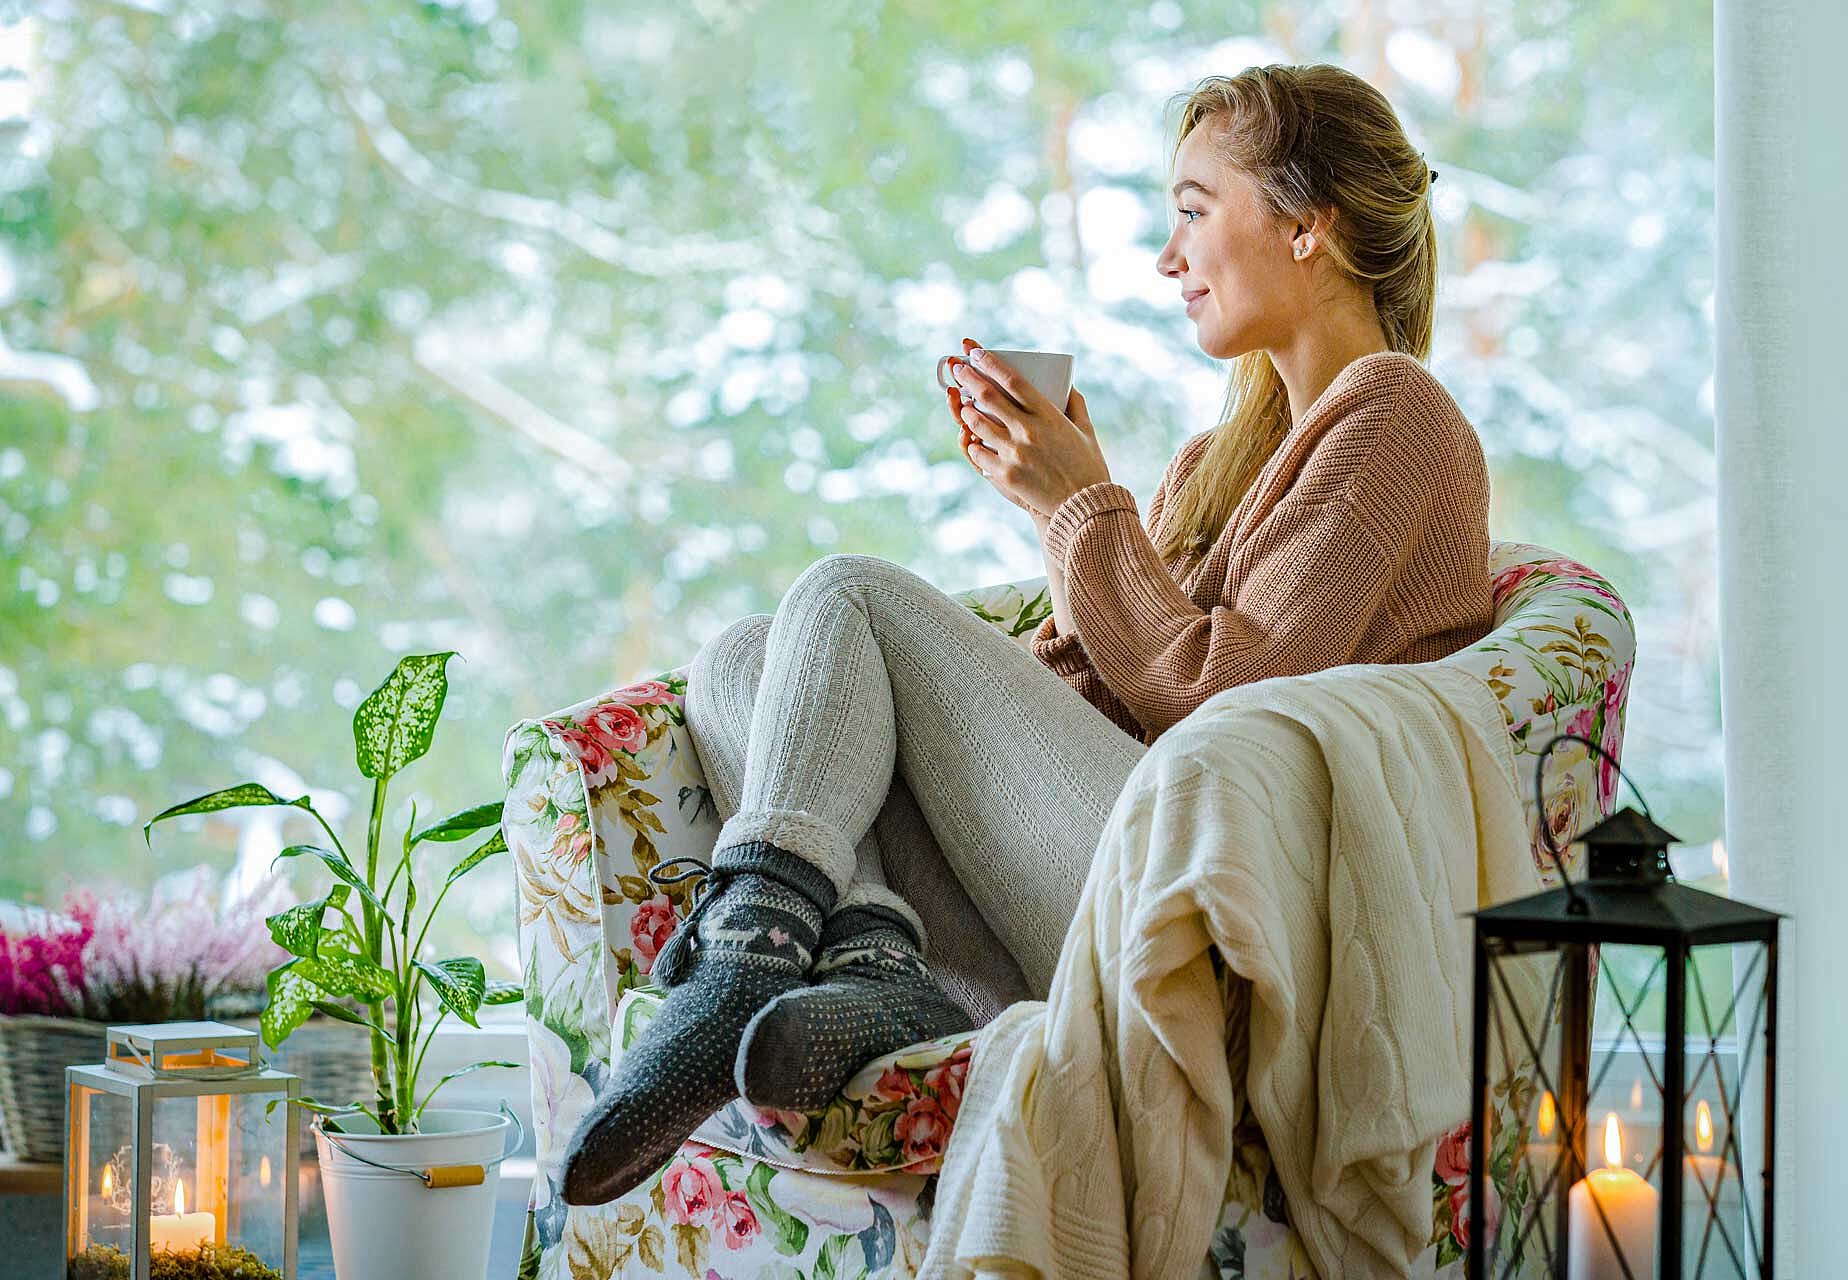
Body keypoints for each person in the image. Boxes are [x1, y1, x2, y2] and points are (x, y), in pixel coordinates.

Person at [559, 62, 1495, 1207]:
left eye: (1194, 211)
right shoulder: (1215, 466)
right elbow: (1097, 705)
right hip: (1104, 873)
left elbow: (1223, 707)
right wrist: (1066, 538)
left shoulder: (1397, 415)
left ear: (1308, 224)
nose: (1167, 257)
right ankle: (871, 962)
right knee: (741, 661)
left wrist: (1074, 508)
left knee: (850, 590)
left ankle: (746, 954)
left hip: (1226, 928)